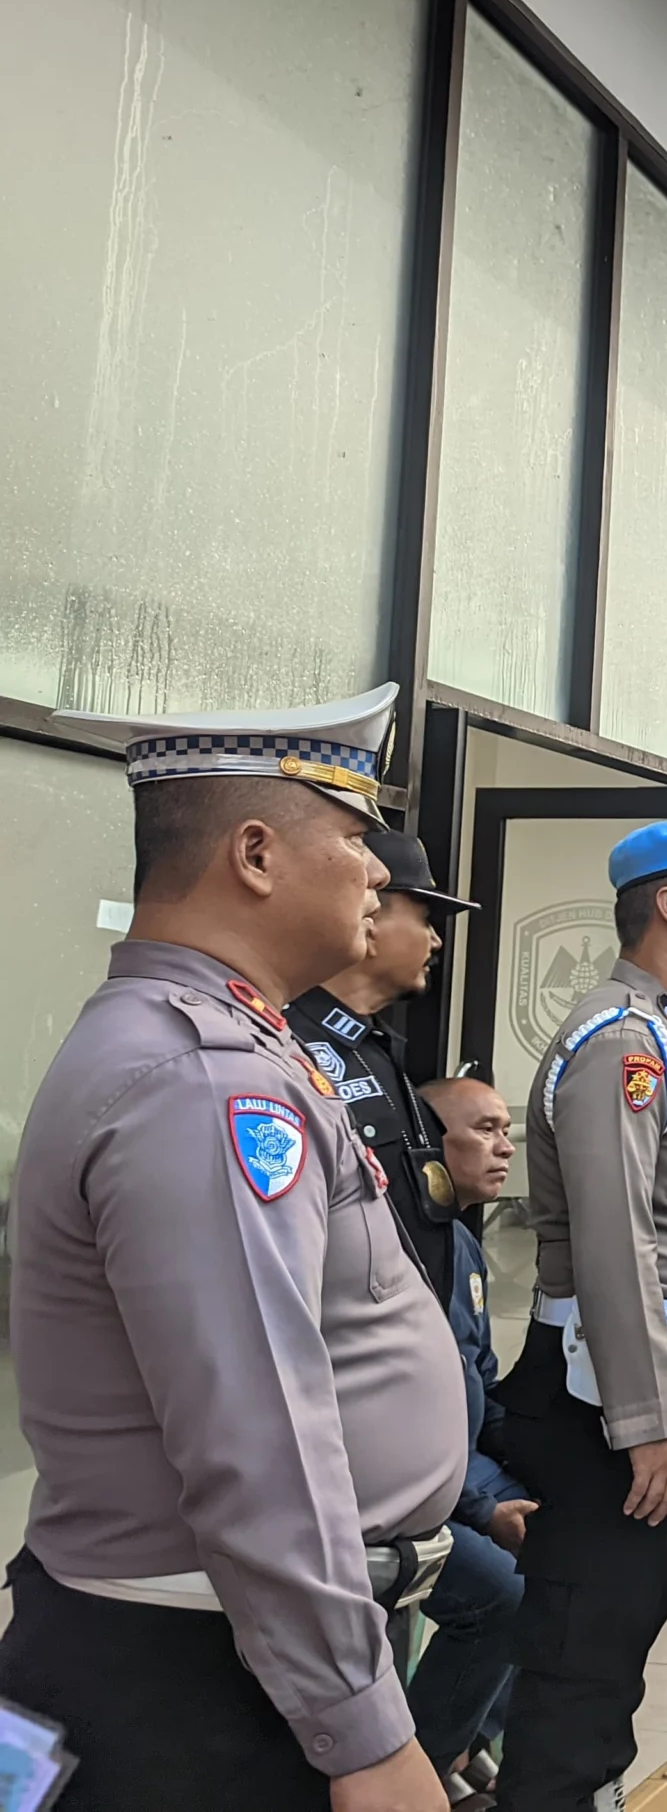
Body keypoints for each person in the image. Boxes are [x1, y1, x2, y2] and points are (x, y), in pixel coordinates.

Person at [0, 683, 464, 1812]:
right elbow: (257, 1428)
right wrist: (361, 1733)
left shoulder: (230, 1046)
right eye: (355, 839)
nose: (376, 873)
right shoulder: (203, 1078)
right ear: (256, 853)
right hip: (201, 1680)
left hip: (227, 1651)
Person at [495, 820, 667, 1810]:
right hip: (600, 1394)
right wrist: (649, 1417)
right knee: (582, 1645)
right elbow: (614, 1244)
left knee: (622, 1632)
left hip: (644, 1370)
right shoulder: (621, 1041)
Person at [412, 1077, 538, 1808]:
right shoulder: (397, 1245)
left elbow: (481, 1386)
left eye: (505, 1128)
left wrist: (538, 1468)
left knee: (565, 1552)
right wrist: (483, 1509)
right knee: (504, 1595)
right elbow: (390, 1423)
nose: (505, 1145)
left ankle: (474, 1739)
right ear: (431, 1143)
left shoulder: (460, 1244)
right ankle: (423, 1769)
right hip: (409, 1483)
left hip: (465, 1467)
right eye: (484, 1129)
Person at [287, 830, 477, 1305]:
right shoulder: (293, 1043)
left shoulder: (372, 1046)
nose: (436, 940)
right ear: (369, 921)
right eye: (426, 918)